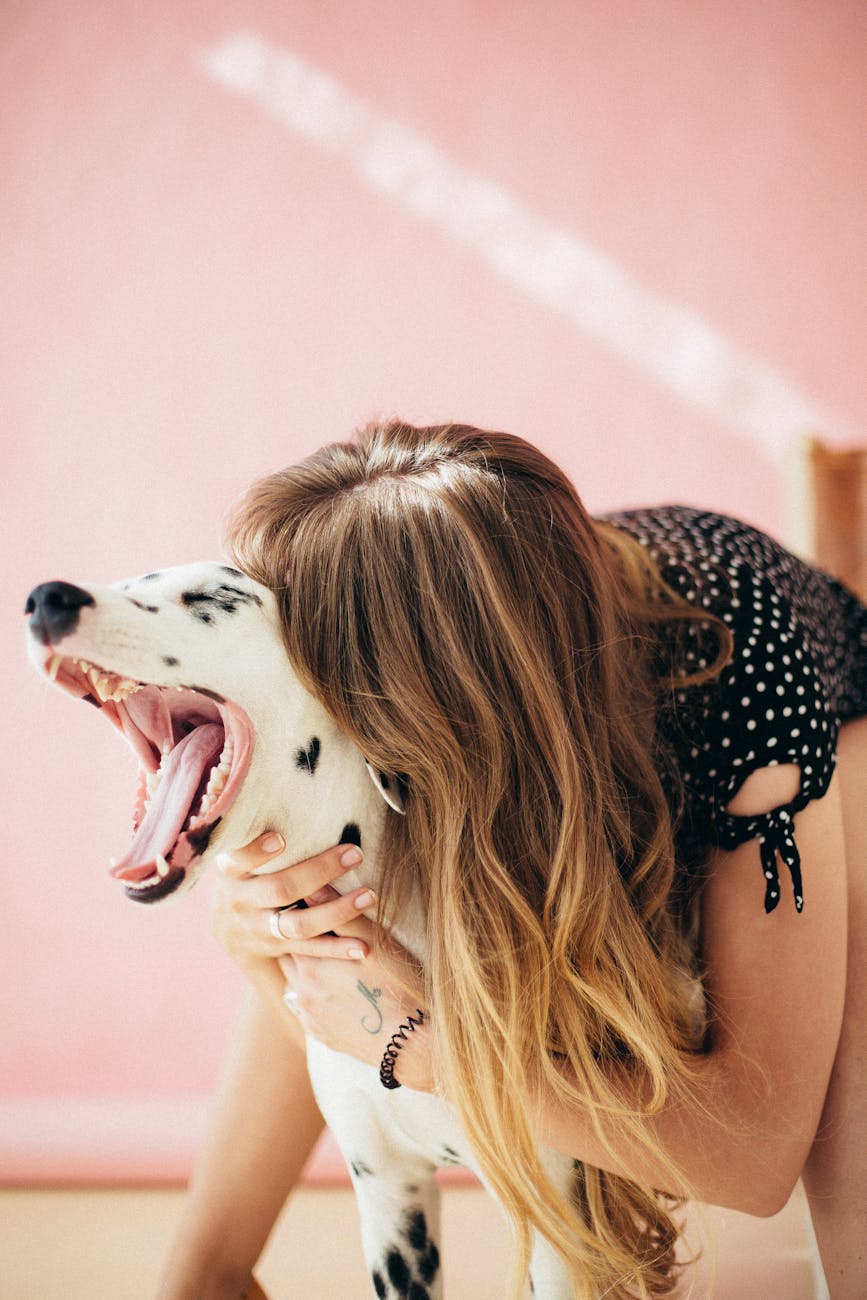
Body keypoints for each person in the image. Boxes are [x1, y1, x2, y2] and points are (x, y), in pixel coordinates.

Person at [157, 421, 866, 1300]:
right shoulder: (463, 639)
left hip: (795, 702)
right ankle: (200, 1281)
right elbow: (332, 974)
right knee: (327, 908)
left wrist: (419, 1046)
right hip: (546, 692)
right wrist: (257, 930)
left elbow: (756, 1159)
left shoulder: (750, 688)